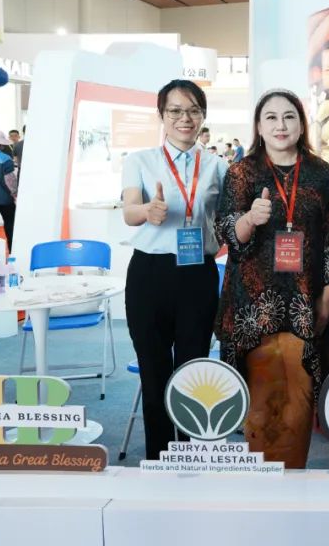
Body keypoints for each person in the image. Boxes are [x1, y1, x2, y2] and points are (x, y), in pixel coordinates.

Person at [214, 89, 329, 468]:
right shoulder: (241, 172)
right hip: (252, 308)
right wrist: (249, 219)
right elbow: (227, 233)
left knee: (297, 402)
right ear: (259, 127)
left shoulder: (321, 173)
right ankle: (260, 484)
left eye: (289, 116)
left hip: (305, 304)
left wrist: (326, 299)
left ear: (301, 125)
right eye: (271, 117)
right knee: (260, 405)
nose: (281, 125)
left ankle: (293, 481)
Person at [121, 80, 228, 460]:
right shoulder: (140, 161)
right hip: (149, 274)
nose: (185, 119)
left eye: (193, 111)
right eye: (176, 111)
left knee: (192, 373)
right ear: (162, 115)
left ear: (203, 115)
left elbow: (226, 221)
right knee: (154, 373)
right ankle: (159, 459)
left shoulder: (218, 166)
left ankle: (192, 458)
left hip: (197, 274)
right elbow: (129, 210)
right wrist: (147, 211)